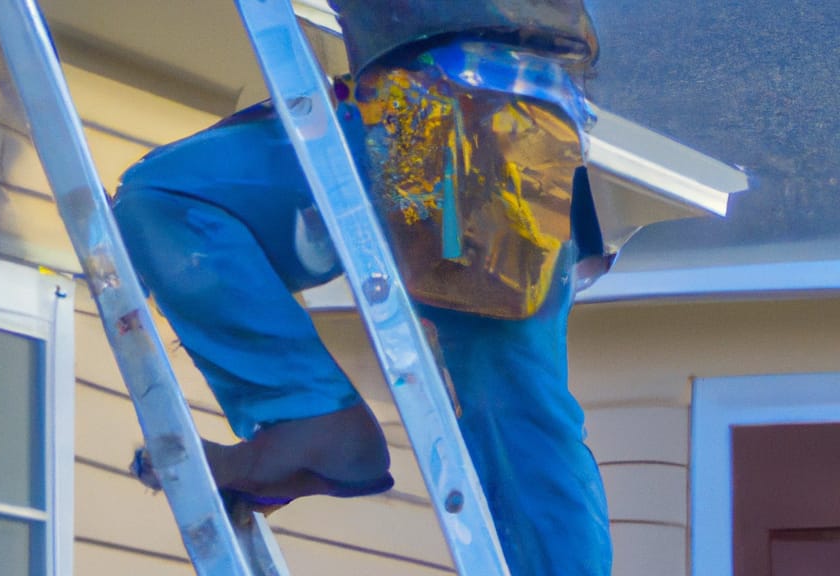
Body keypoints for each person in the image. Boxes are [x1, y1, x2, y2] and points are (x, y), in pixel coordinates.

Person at [114, 1, 612, 573]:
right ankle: (309, 418)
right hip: (436, 110)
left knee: (508, 396)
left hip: (463, 117)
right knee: (171, 201)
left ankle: (308, 414)